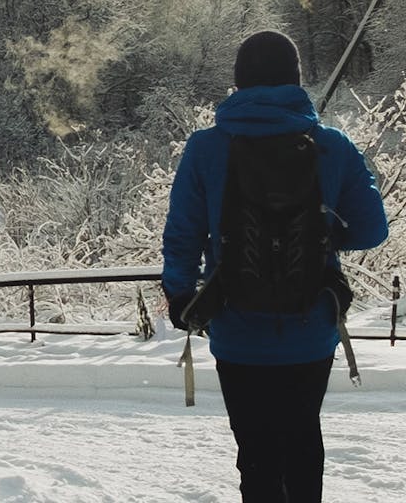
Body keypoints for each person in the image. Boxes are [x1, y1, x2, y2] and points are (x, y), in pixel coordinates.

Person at [161, 30, 388, 502]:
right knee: (303, 440)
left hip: (236, 328)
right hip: (311, 328)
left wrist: (182, 296)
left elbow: (182, 235)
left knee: (257, 451)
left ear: (238, 83)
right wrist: (323, 234)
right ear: (295, 79)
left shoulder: (205, 148)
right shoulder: (332, 145)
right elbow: (372, 231)